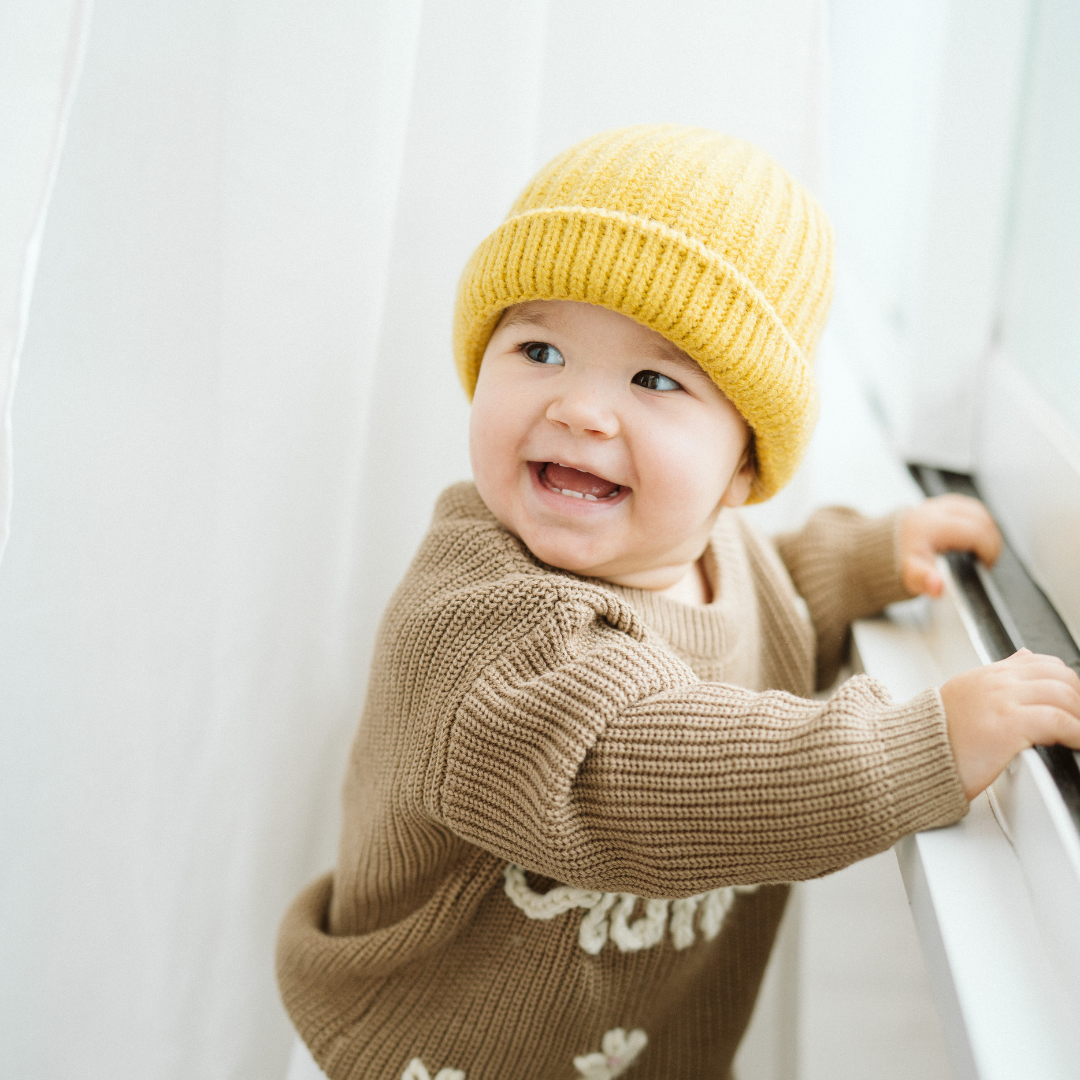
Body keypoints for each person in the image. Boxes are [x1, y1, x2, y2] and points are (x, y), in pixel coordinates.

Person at [276, 126, 1080, 1080]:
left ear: (741, 469)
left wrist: (864, 561)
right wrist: (917, 749)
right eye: (538, 349)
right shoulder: (478, 626)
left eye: (655, 379)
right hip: (429, 1055)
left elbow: (766, 607)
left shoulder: (706, 551)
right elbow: (639, 769)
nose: (580, 408)